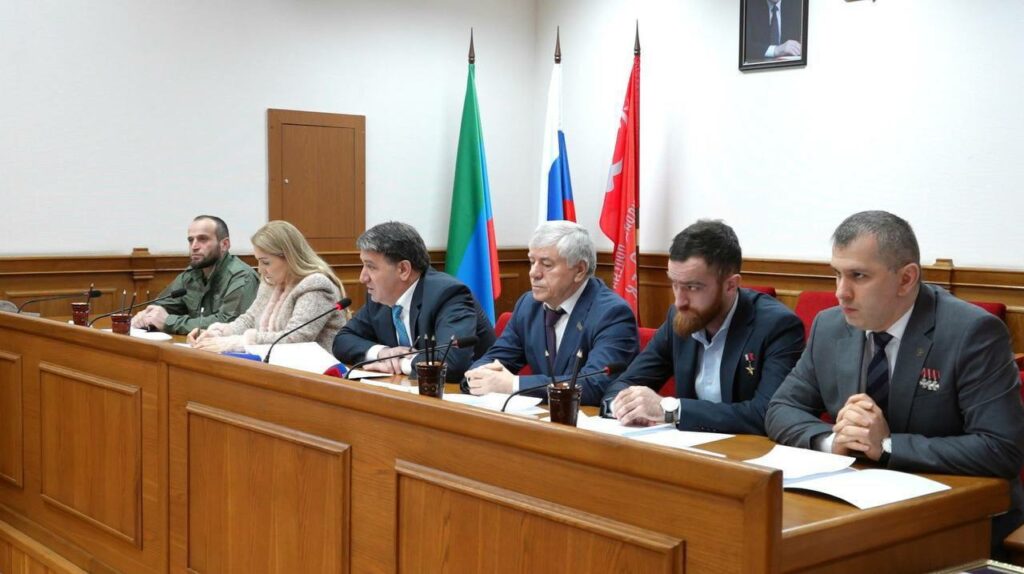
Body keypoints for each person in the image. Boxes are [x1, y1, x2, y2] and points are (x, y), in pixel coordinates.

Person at [765, 210, 1024, 555]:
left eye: (858, 276)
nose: (841, 293)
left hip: (959, 520)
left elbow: (1000, 449)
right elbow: (781, 408)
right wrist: (835, 441)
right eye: (837, 275)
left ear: (906, 279)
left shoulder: (971, 333)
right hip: (856, 509)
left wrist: (886, 446)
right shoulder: (830, 326)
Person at [607, 220, 804, 434]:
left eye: (692, 287)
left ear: (730, 285)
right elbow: (623, 385)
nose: (679, 301)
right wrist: (626, 406)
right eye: (674, 284)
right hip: (685, 448)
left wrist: (671, 410)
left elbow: (767, 414)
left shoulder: (777, 326)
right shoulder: (680, 317)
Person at [465, 221, 638, 406]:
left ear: (579, 270)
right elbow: (496, 358)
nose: (533, 273)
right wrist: (478, 375)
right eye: (532, 262)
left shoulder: (612, 314)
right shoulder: (529, 305)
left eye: (546, 264)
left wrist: (513, 384)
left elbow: (595, 384)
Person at [332, 221, 495, 381]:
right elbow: (342, 340)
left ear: (403, 269)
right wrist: (383, 353)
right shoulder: (381, 297)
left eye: (371, 267)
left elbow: (452, 362)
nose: (362, 278)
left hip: (469, 392)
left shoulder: (448, 295)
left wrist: (400, 363)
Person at [188, 220, 347, 353]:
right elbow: (249, 320)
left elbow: (295, 339)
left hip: (315, 373)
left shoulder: (315, 285)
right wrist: (217, 334)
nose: (260, 269)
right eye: (258, 261)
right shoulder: (271, 281)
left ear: (289, 257)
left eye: (266, 262)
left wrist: (238, 343)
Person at [132, 215, 259, 334]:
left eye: (203, 239)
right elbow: (161, 307)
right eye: (191, 240)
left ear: (224, 245)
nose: (194, 246)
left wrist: (170, 322)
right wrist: (147, 316)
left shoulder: (242, 276)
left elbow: (229, 323)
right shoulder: (191, 275)